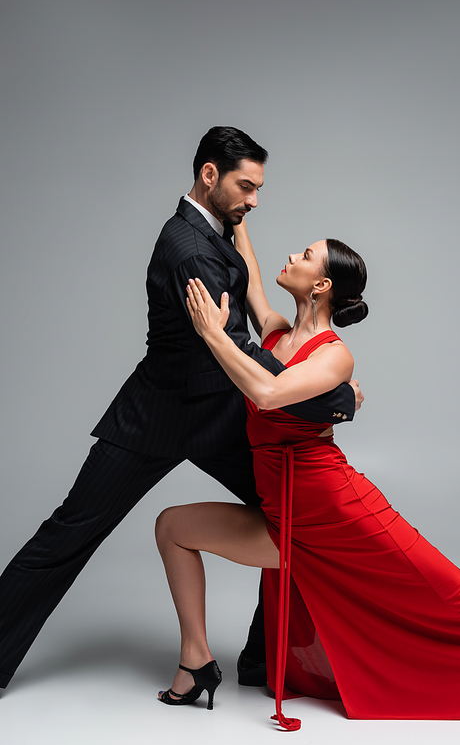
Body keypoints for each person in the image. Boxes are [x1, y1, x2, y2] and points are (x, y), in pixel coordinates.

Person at [0, 127, 362, 692]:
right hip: (161, 416)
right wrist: (335, 394)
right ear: (209, 176)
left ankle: (263, 659)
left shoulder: (218, 223)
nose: (255, 201)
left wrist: (264, 295)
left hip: (219, 415)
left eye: (259, 188)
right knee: (69, 532)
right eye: (246, 187)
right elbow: (230, 348)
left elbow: (246, 276)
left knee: (292, 523)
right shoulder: (188, 247)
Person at [155, 219, 460, 730]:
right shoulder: (275, 333)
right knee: (172, 527)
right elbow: (249, 276)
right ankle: (195, 660)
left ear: (322, 285)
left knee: (453, 593)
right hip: (285, 515)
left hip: (335, 507)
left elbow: (267, 394)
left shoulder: (336, 356)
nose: (292, 257)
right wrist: (237, 222)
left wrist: (212, 333)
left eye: (306, 254)